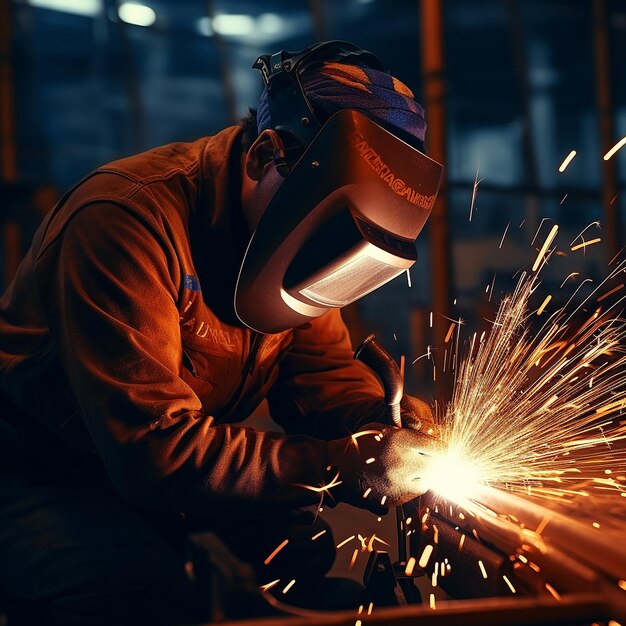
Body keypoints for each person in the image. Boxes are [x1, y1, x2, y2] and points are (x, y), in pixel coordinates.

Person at [0, 41, 442, 624]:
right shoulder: (124, 222)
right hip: (37, 469)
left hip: (140, 467)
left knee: (298, 553)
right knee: (134, 588)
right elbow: (154, 451)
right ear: (266, 154)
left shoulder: (298, 238)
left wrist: (374, 424)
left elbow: (320, 374)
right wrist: (342, 465)